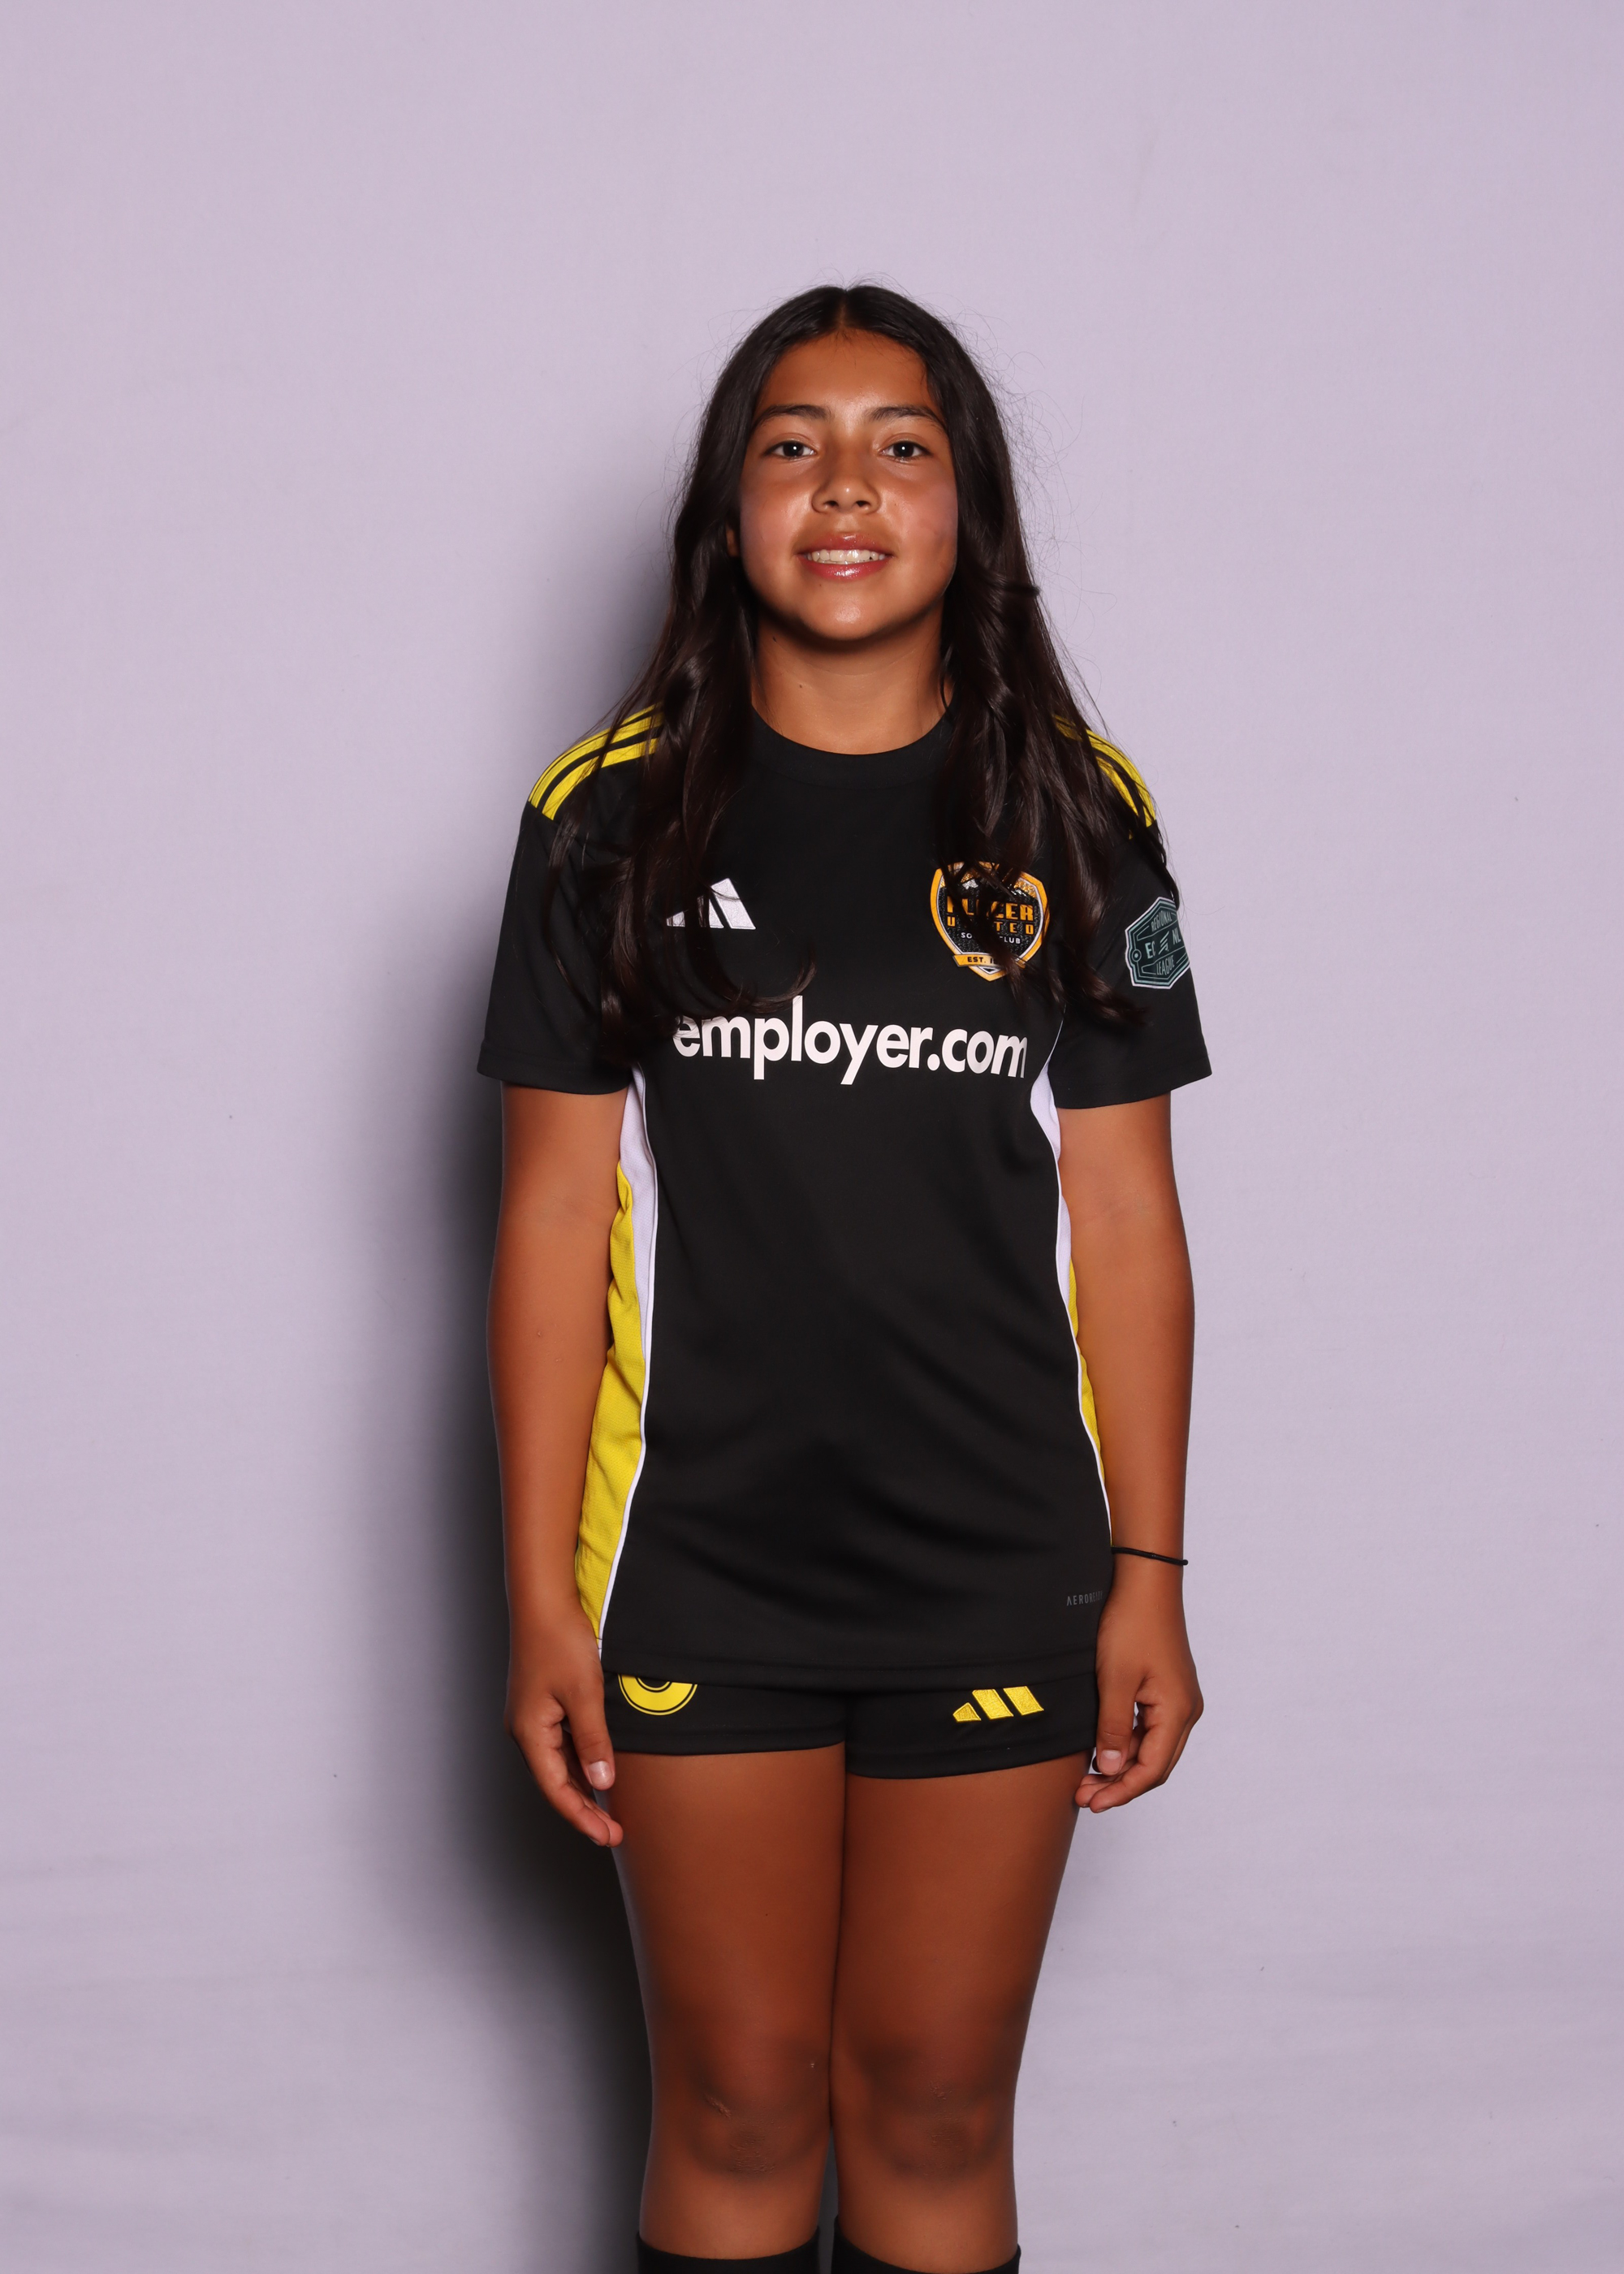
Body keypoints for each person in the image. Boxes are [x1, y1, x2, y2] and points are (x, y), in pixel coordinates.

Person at [479, 283, 1209, 2274]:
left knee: (935, 2100)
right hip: (699, 1558)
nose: (847, 487)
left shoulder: (1076, 809)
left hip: (997, 1554)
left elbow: (1127, 1218)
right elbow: (547, 1220)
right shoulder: (604, 815)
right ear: (730, 511)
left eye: (903, 444)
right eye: (791, 444)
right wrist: (535, 1593)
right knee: (734, 2097)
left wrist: (1149, 1572)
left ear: (970, 506)